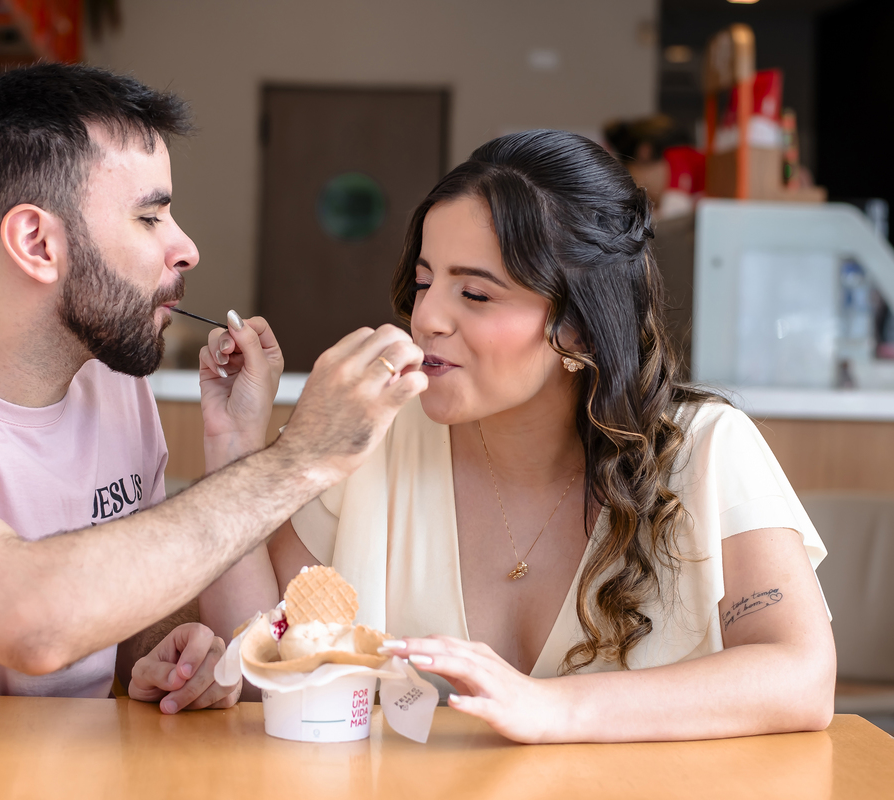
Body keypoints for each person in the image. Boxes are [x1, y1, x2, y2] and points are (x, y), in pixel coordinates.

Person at [0, 64, 426, 711]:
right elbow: (34, 623)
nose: (186, 247)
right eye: (150, 218)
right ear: (37, 242)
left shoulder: (112, 386)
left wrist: (166, 646)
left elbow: (114, 617)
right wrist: (300, 458)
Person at [201, 129, 836, 742]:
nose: (426, 318)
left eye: (474, 293)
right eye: (424, 283)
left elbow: (801, 675)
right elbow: (261, 666)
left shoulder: (707, 447)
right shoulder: (377, 437)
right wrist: (233, 443)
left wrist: (553, 709)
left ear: (580, 326)